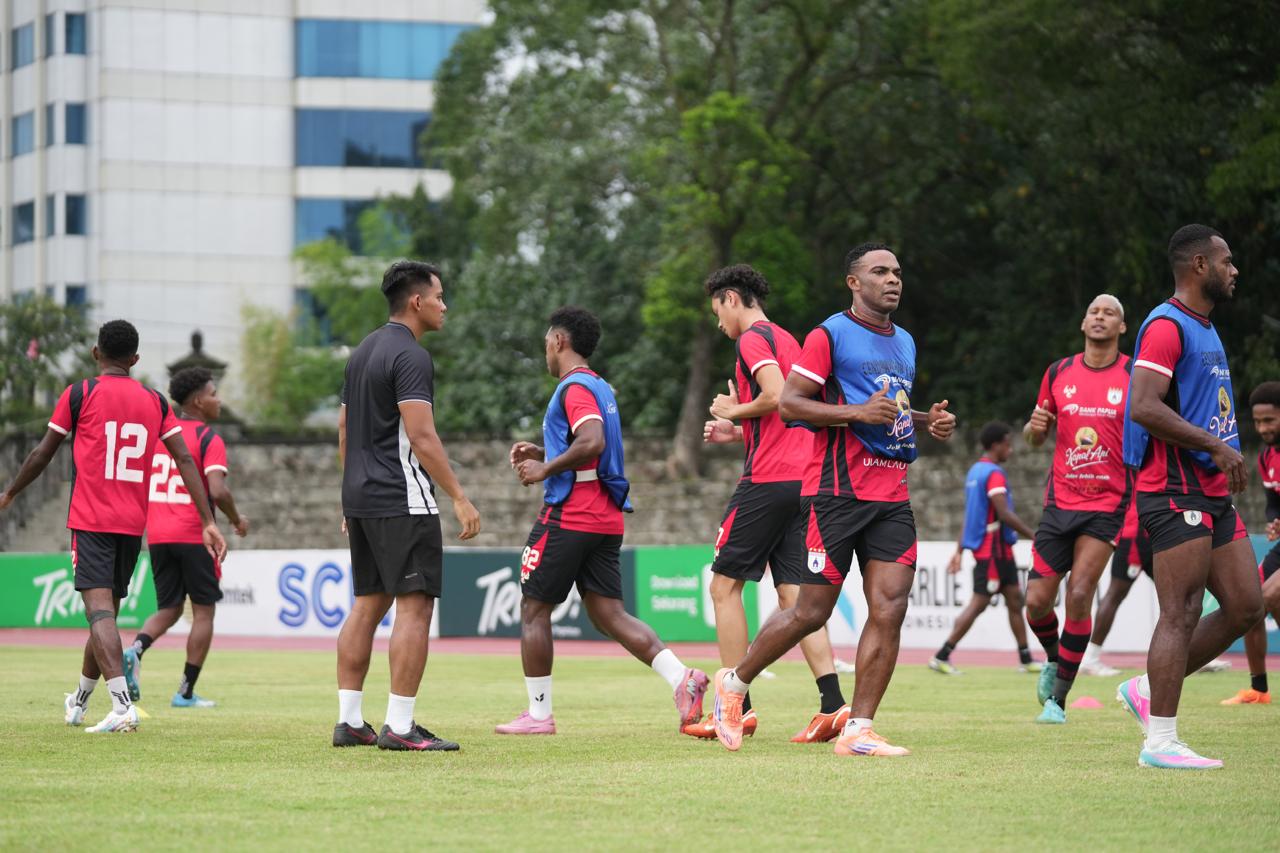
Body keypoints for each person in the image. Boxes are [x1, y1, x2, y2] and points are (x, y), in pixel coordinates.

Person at [711, 243, 956, 757]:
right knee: (810, 611)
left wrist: (925, 422)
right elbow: (792, 404)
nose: (892, 280)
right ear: (853, 282)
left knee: (889, 607)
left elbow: (889, 409)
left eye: (897, 271)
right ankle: (733, 686)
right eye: (879, 271)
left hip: (892, 493)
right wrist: (855, 414)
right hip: (836, 493)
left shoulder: (906, 342)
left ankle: (858, 729)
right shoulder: (829, 334)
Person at [0, 320, 226, 732]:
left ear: (95, 352)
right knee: (105, 613)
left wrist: (9, 493)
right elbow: (186, 461)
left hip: (91, 520)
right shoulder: (155, 401)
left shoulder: (80, 393)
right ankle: (80, 701)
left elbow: (41, 454)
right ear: (135, 360)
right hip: (132, 525)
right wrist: (209, 521)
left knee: (99, 613)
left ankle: (122, 707)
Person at [496, 307, 709, 735]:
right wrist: (545, 452)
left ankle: (539, 715)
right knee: (608, 613)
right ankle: (681, 678)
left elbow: (590, 443)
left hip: (570, 514)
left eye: (545, 343)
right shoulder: (599, 387)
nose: (545, 351)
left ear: (558, 341)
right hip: (605, 518)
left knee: (535, 609)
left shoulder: (573, 387)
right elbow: (591, 442)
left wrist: (544, 470)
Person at [1117, 225, 1262, 770]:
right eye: (1227, 260)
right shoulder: (1165, 325)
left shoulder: (1206, 328)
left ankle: (1145, 689)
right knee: (1177, 612)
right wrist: (1215, 447)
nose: (1234, 269)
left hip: (1210, 490)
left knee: (1247, 604)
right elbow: (1144, 407)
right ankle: (1160, 740)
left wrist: (1221, 455)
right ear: (1199, 265)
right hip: (1173, 489)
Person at [690, 264, 850, 743]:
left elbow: (776, 396)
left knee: (723, 588)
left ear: (732, 299)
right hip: (804, 481)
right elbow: (789, 415)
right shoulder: (790, 339)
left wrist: (731, 409)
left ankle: (735, 705)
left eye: (717, 309)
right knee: (794, 599)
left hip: (767, 483)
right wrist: (737, 432)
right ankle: (833, 705)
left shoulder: (752, 339)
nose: (718, 321)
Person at [334, 260, 480, 751]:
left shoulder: (361, 352)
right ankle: (399, 726)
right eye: (439, 296)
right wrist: (459, 497)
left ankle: (350, 720)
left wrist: (349, 493)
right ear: (416, 301)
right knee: (414, 609)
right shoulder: (411, 356)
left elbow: (344, 429)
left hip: (361, 498)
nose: (444, 305)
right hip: (403, 497)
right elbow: (421, 434)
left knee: (366, 605)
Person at [1021, 294, 1134, 724]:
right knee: (1036, 603)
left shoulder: (1133, 376)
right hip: (1059, 504)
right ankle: (1055, 659)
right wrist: (1034, 431)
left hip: (1107, 505)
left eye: (1110, 313)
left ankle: (1059, 701)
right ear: (1083, 323)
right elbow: (1036, 438)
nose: (1100, 317)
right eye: (1093, 311)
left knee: (1081, 594)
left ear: (1122, 328)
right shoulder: (1059, 372)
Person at [122, 367, 249, 708]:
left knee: (169, 607)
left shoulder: (162, 436)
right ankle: (185, 692)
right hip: (194, 534)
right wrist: (236, 520)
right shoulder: (208, 439)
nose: (217, 399)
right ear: (197, 401)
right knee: (203, 613)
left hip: (159, 535)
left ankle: (134, 650)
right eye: (213, 393)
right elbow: (218, 491)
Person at [930, 422, 1038, 675]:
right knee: (980, 602)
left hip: (999, 551)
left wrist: (959, 550)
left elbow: (970, 516)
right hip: (992, 551)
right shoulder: (994, 474)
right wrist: (1035, 535)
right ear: (996, 445)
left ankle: (1025, 659)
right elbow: (1004, 513)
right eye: (1008, 444)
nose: (1010, 450)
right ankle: (941, 655)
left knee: (1015, 600)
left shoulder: (975, 471)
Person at [1221, 381, 1280, 705]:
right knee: (1248, 603)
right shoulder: (1267, 457)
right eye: (1258, 421)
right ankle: (1259, 690)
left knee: (1264, 598)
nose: (1263, 428)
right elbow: (1273, 504)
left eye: (1270, 420)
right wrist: (1274, 522)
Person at [1080, 500, 1151, 677]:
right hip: (1137, 536)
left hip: (1146, 534)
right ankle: (1090, 658)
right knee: (1115, 594)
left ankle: (1197, 652)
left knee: (1181, 595)